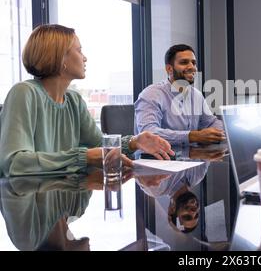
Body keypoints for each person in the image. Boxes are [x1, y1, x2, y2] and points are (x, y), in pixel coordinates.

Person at [0, 24, 174, 177]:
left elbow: (99, 146)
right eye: (79, 50)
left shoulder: (74, 100)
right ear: (61, 58)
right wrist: (86, 157)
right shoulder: (23, 93)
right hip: (26, 202)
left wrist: (135, 142)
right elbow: (14, 163)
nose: (84, 58)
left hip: (62, 196)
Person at [134, 44, 225, 146]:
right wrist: (192, 136)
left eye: (194, 63)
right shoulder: (152, 94)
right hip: (153, 159)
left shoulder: (196, 95)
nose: (192, 67)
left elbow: (210, 122)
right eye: (184, 62)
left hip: (189, 157)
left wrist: (228, 129)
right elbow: (148, 133)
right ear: (169, 69)